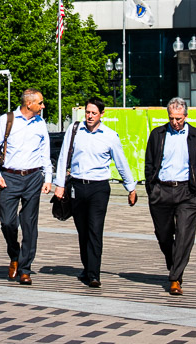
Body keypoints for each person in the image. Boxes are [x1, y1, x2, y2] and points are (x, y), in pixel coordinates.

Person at [54, 97, 137, 288]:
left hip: (98, 188)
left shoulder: (110, 136)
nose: (90, 116)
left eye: (94, 113)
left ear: (102, 114)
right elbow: (63, 157)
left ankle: (94, 273)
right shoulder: (75, 131)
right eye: (87, 112)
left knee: (95, 229)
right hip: (77, 185)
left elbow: (121, 163)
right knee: (82, 231)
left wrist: (130, 187)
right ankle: (87, 266)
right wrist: (59, 185)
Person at [144, 96, 196, 296]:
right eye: (172, 118)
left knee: (183, 235)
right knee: (163, 235)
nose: (175, 122)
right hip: (161, 191)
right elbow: (149, 163)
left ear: (186, 116)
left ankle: (175, 278)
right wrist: (151, 187)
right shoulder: (158, 134)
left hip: (187, 192)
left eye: (179, 118)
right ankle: (175, 265)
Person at [0, 88, 51, 286]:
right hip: (10, 176)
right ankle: (14, 254)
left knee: (29, 224)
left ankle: (25, 269)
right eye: (40, 103)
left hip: (33, 176)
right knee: (7, 222)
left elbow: (45, 151)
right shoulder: (7, 120)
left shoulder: (40, 123)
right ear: (29, 104)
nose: (43, 106)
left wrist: (48, 178)